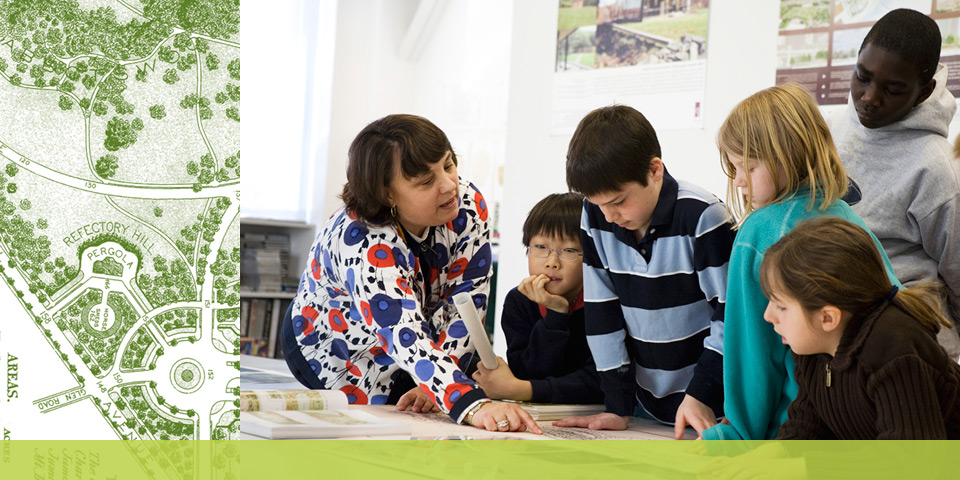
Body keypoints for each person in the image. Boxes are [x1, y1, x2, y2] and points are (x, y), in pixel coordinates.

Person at [279, 114, 541, 434]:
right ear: (387, 194)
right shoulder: (361, 239)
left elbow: (468, 299)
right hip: (332, 347)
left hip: (414, 332)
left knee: (437, 398)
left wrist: (441, 384)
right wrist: (470, 403)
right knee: (380, 432)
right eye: (426, 182)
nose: (449, 185)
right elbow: (404, 335)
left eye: (448, 165)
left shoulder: (468, 204)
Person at [701, 83, 900, 441]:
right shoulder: (848, 219)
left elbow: (753, 351)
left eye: (747, 166)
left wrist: (735, 437)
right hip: (864, 419)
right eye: (733, 169)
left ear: (787, 155)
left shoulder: (760, 232)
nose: (739, 181)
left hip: (796, 430)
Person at [554, 105, 736, 439]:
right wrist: (617, 404)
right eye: (599, 204)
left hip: (710, 405)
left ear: (654, 171)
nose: (609, 216)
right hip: (642, 407)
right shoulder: (595, 217)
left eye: (619, 201)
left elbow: (729, 315)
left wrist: (701, 395)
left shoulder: (702, 216)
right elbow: (602, 312)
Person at [828, 8, 960, 359]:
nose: (870, 97)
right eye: (862, 76)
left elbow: (957, 268)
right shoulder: (835, 128)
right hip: (835, 322)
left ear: (923, 91)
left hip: (906, 337)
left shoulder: (935, 167)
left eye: (893, 89)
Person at [761, 217, 960, 439]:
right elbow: (806, 423)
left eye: (781, 307)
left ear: (827, 318)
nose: (768, 316)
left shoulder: (893, 347)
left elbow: (912, 460)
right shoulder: (814, 350)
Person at [472, 192, 603, 404]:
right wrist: (556, 315)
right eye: (540, 247)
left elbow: (598, 383)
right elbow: (527, 372)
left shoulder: (602, 303)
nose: (552, 262)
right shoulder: (519, 301)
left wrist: (519, 390)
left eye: (569, 250)